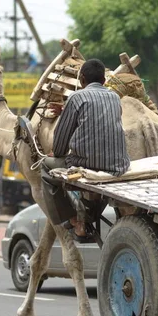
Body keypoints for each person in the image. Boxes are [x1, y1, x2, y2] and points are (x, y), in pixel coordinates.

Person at [41, 58, 130, 241]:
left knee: (46, 168)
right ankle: (88, 216)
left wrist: (56, 154)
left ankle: (74, 220)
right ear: (104, 81)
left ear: (81, 79)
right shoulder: (114, 97)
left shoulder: (76, 97)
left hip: (85, 163)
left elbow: (61, 137)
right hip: (118, 165)